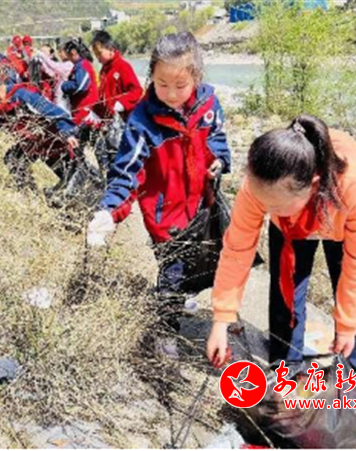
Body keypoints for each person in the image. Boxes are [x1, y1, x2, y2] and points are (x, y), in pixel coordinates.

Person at [206, 114, 356, 378]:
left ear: (312, 186)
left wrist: (347, 326)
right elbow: (237, 251)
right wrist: (222, 319)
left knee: (354, 296)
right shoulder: (260, 184)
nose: (266, 209)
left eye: (274, 207)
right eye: (264, 204)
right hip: (290, 228)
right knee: (286, 289)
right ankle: (286, 366)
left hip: (340, 220)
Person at [86, 32, 230, 358]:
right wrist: (109, 211)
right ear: (151, 75)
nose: (171, 94)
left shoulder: (209, 105)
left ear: (196, 77)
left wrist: (219, 161)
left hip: (201, 205)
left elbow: (218, 139)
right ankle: (165, 333)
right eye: (162, 84)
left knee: (202, 261)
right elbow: (127, 172)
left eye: (181, 85)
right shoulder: (143, 121)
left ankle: (180, 299)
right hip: (164, 214)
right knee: (171, 271)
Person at [0, 63, 80, 195]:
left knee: (76, 182)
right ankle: (29, 194)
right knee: (13, 159)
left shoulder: (22, 96)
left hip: (58, 144)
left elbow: (57, 114)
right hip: (35, 145)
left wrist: (68, 134)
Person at [91, 30, 143, 122]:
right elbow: (102, 97)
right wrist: (94, 110)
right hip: (109, 121)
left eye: (99, 53)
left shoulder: (123, 66)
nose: (98, 58)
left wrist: (122, 103)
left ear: (110, 49)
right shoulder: (103, 70)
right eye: (96, 55)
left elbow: (137, 90)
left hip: (125, 120)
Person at [60, 37, 100, 127]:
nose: (68, 59)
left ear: (73, 52)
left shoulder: (82, 66)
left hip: (85, 111)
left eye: (68, 55)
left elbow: (80, 86)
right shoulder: (80, 65)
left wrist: (65, 86)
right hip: (80, 109)